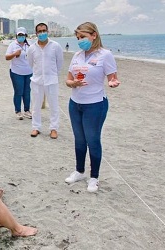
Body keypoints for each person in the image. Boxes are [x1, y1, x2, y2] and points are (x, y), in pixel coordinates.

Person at [64, 22, 120, 192]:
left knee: (93, 140)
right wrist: (73, 83)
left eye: (83, 37)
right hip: (75, 104)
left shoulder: (106, 55)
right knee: (79, 140)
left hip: (95, 104)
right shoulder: (77, 55)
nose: (80, 40)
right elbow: (67, 80)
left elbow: (112, 77)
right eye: (78, 37)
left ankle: (94, 177)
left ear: (94, 35)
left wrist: (113, 82)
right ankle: (79, 171)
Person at [27, 23, 63, 139]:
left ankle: (54, 128)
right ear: (36, 33)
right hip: (37, 80)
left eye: (44, 31)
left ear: (47, 31)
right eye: (39, 31)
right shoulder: (32, 48)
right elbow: (31, 64)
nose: (42, 33)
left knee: (54, 105)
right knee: (36, 105)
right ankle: (36, 127)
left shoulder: (55, 46)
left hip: (51, 80)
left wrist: (52, 74)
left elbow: (59, 63)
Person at [5, 27, 33, 120]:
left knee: (27, 92)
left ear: (25, 36)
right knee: (18, 91)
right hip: (16, 72)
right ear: (16, 36)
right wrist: (14, 54)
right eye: (19, 35)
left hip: (28, 72)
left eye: (23, 35)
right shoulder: (13, 45)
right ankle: (18, 111)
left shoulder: (29, 45)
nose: (21, 37)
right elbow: (7, 57)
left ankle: (27, 110)